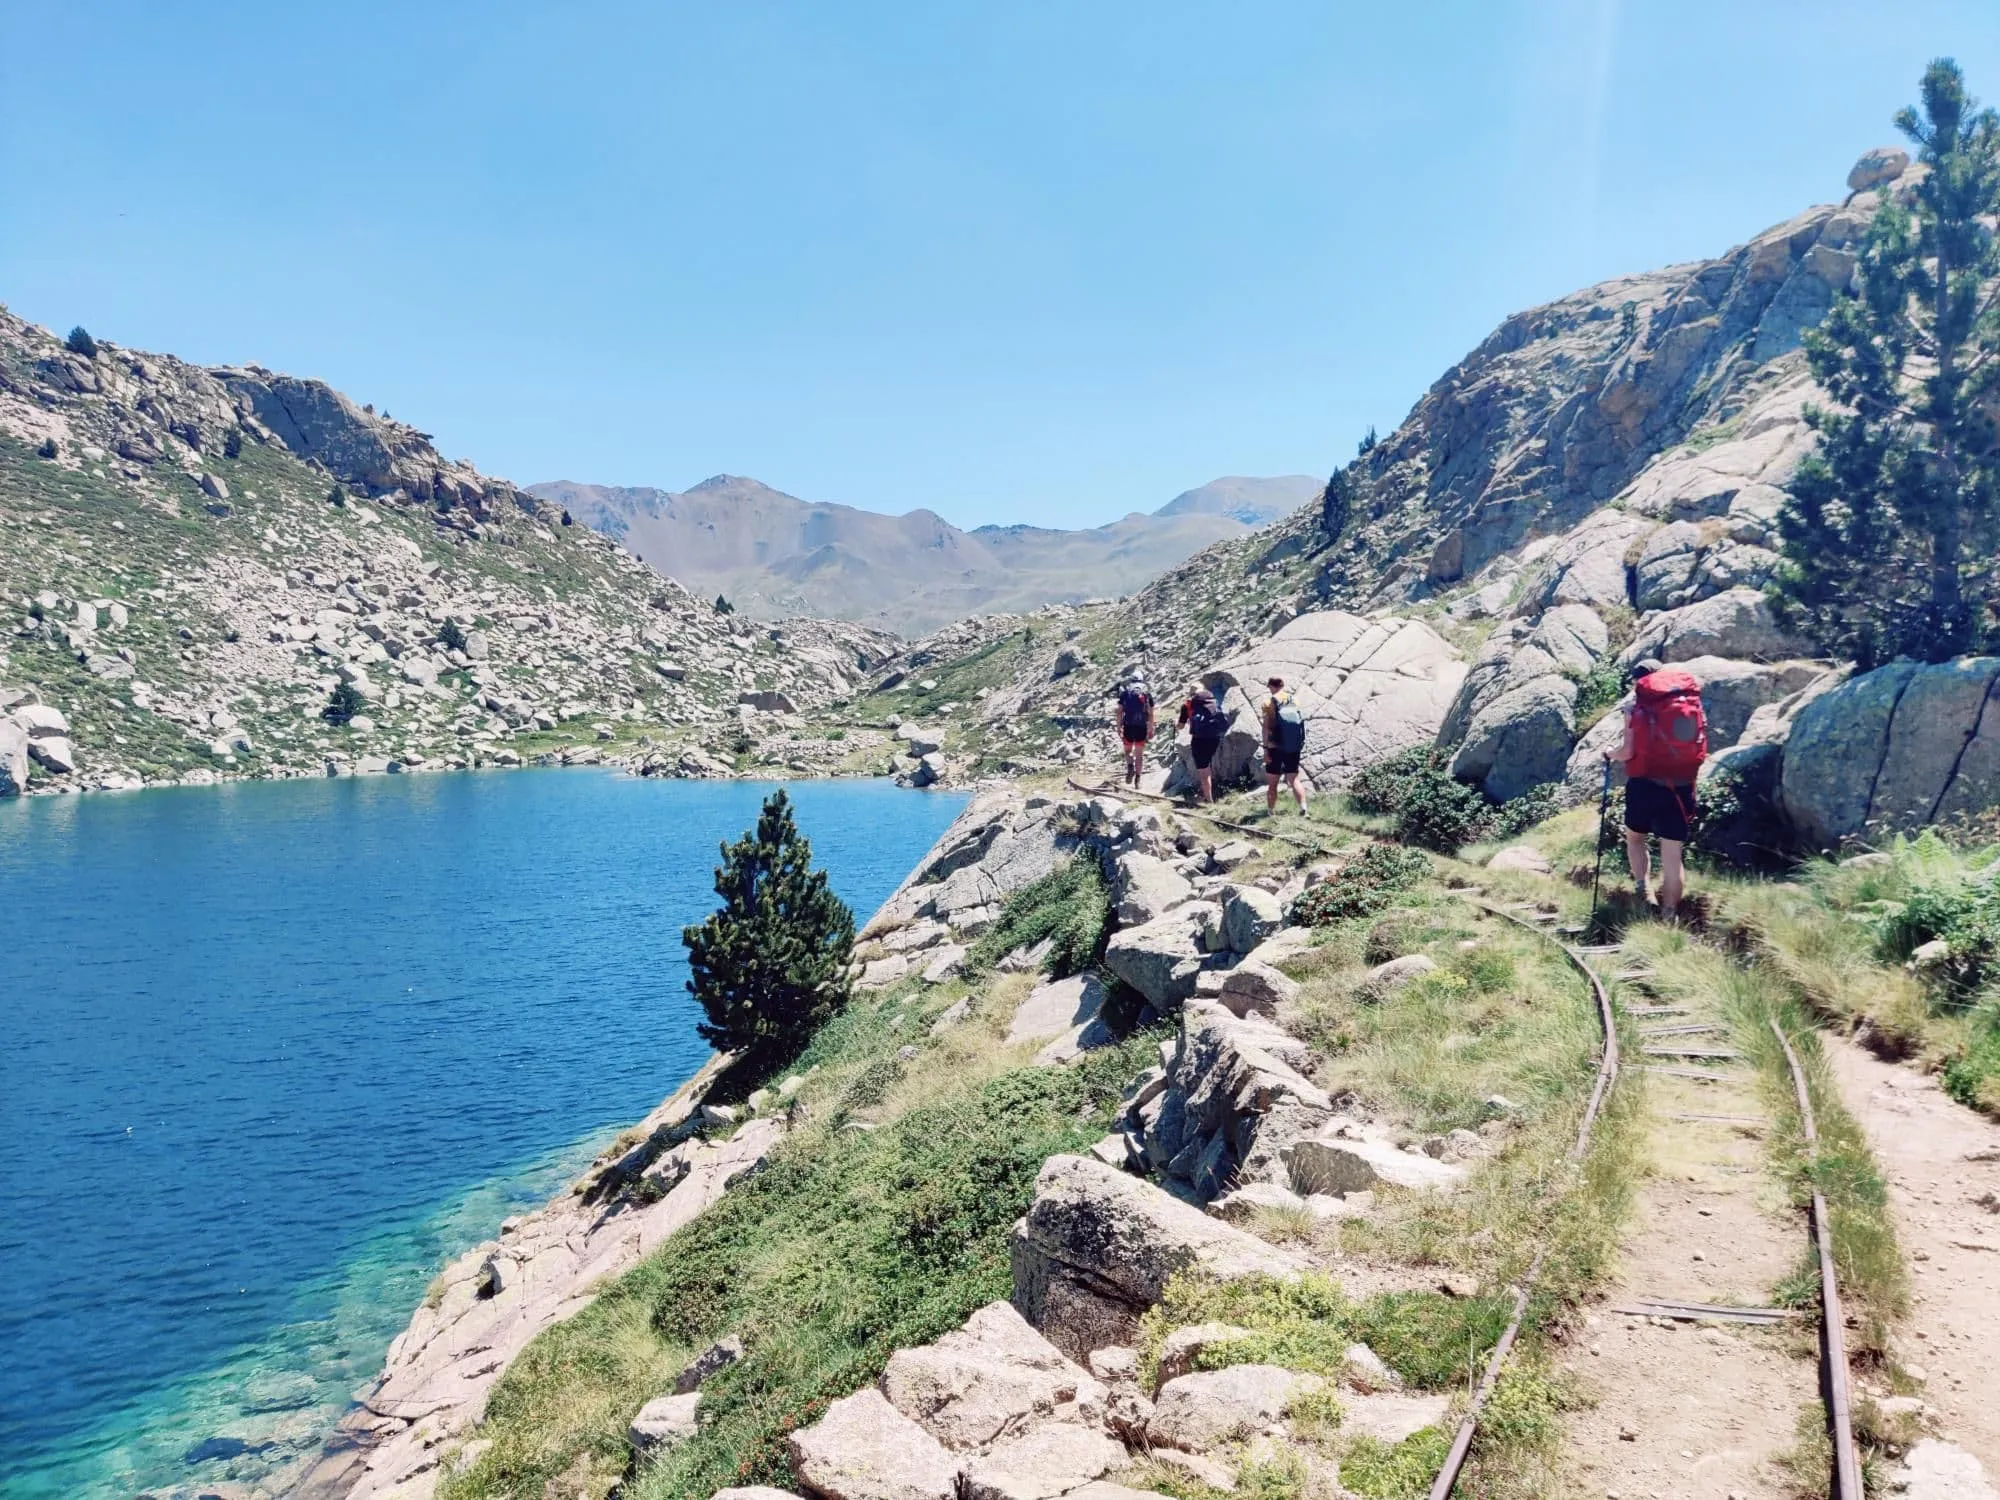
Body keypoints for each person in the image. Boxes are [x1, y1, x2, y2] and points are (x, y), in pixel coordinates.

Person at [1605, 658, 1708, 920]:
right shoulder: (1689, 702)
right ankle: (1669, 914)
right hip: (1681, 786)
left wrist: (1610, 753)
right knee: (1672, 854)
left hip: (1644, 784)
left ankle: (1644, 889)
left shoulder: (1636, 708)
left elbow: (1627, 752)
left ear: (1638, 681)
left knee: (1635, 837)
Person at [1260, 676, 1308, 814]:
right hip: (1293, 745)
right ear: (1282, 685)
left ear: (1271, 686)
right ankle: (1303, 807)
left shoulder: (1268, 702)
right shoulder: (1294, 700)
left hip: (1274, 746)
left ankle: (1270, 811)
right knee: (1293, 778)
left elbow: (1265, 728)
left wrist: (1265, 749)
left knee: (1273, 782)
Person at [1181, 684, 1227, 804]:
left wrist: (1176, 724)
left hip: (1199, 740)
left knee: (1204, 771)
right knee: (1207, 765)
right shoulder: (1213, 701)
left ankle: (1209, 800)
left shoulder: (1188, 704)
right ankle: (1205, 792)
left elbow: (1180, 726)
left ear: (1192, 694)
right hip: (1215, 737)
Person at [1116, 674, 1154, 787]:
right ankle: (1138, 780)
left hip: (1128, 725)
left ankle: (1130, 767)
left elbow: (1119, 711)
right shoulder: (1146, 692)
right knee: (1139, 754)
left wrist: (1118, 726)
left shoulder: (1126, 692)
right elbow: (1151, 713)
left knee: (1127, 751)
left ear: (1131, 680)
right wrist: (1151, 728)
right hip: (1141, 726)